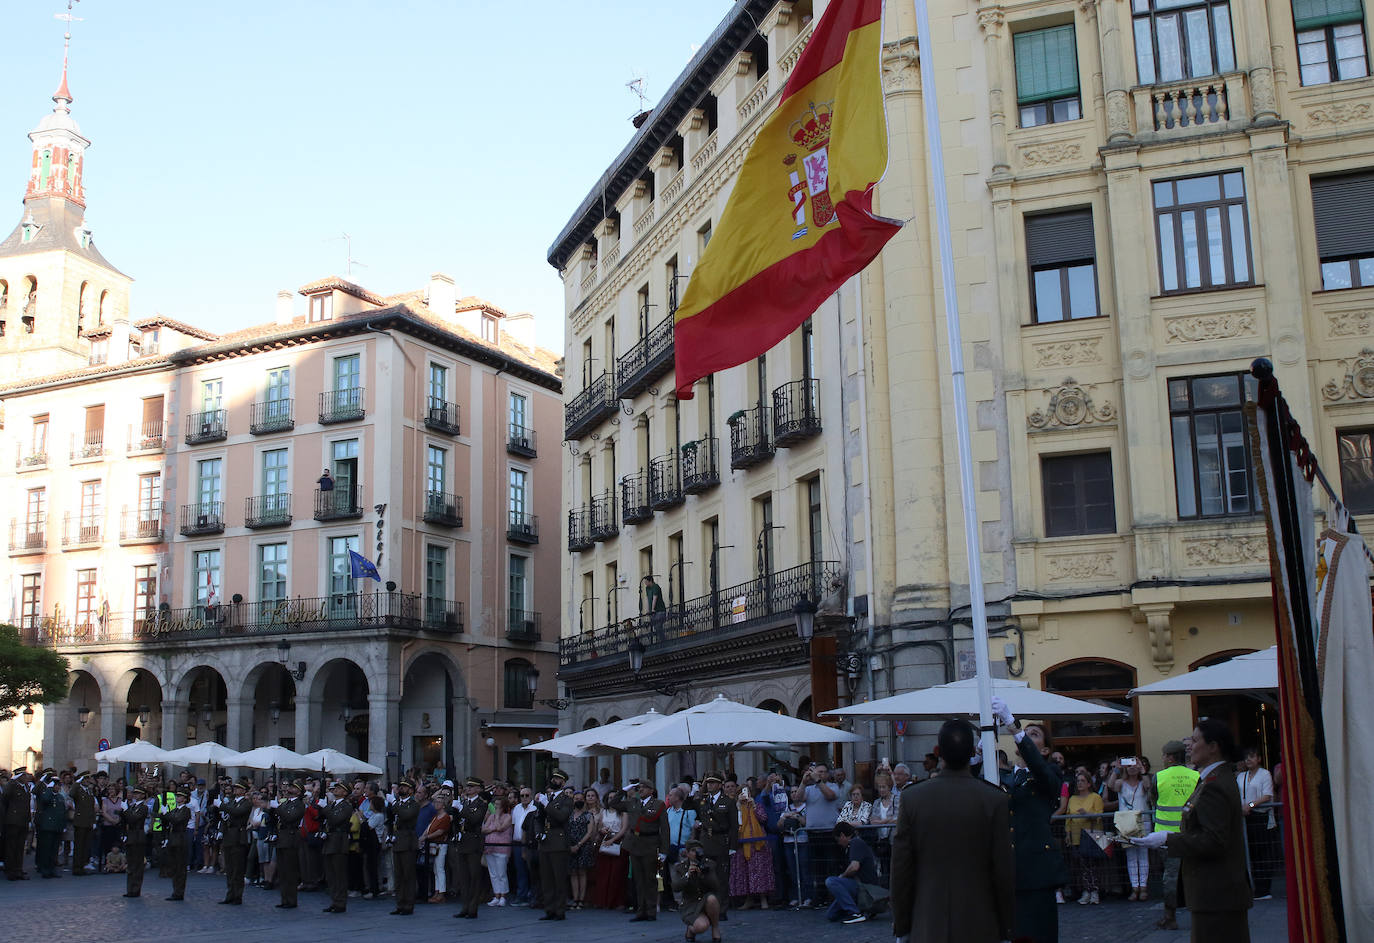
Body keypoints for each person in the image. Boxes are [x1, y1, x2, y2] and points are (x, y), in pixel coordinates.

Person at [891, 719, 1014, 942]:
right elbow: (1003, 870)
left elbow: (901, 869)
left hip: (928, 921)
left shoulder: (912, 798)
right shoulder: (994, 799)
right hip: (980, 922)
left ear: (940, 754)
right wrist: (1006, 926)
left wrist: (902, 926)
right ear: (971, 753)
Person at [1134, 720, 1252, 942]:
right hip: (1215, 893)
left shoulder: (1215, 784)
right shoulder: (1211, 778)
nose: (1189, 745)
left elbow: (1214, 840)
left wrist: (1168, 838)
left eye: (1195, 740)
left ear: (1213, 746)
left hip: (1215, 892)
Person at [990, 697, 1069, 943]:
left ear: (1044, 750)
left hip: (1036, 870)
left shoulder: (1050, 773)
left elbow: (1039, 768)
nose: (1025, 736)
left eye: (1033, 734)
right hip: (1010, 868)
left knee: (1040, 934)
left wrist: (1013, 726)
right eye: (1026, 733)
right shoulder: (1007, 776)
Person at [613, 778, 667, 922]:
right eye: (639, 788)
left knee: (650, 879)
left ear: (651, 790)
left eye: (644, 787)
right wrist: (625, 789)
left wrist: (664, 850)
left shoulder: (658, 804)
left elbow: (665, 829)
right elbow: (613, 803)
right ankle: (640, 911)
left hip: (650, 843)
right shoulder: (633, 803)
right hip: (635, 844)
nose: (640, 790)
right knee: (638, 880)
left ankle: (650, 911)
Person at [686, 770, 736, 920]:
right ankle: (709, 907)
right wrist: (695, 791)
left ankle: (721, 909)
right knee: (707, 877)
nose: (709, 785)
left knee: (721, 878)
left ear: (720, 785)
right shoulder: (703, 800)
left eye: (712, 783)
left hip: (721, 842)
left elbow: (733, 826)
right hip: (706, 842)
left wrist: (733, 846)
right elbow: (687, 805)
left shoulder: (728, 802)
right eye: (708, 783)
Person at [1107, 756, 1154, 901]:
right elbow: (1110, 785)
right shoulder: (1121, 783)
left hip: (1143, 820)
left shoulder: (1143, 782)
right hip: (1126, 822)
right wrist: (1116, 769)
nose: (1132, 767)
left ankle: (1143, 887)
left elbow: (1148, 787)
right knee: (1131, 856)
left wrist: (1143, 770)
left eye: (1134, 765)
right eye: (1129, 765)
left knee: (1143, 855)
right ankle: (1135, 887)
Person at [1236, 747, 1275, 900]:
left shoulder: (1265, 774)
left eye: (1252, 756)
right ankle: (1249, 887)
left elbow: (1267, 796)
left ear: (1259, 758)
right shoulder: (1241, 776)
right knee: (1248, 852)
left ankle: (1263, 889)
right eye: (1246, 757)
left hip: (1260, 815)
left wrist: (1250, 805)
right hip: (1245, 817)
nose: (1249, 760)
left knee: (1262, 853)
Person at [536, 770, 574, 921]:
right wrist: (538, 832)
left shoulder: (566, 799)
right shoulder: (548, 798)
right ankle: (549, 909)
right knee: (546, 879)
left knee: (559, 878)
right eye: (553, 778)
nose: (554, 780)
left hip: (558, 841)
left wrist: (547, 804)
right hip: (545, 841)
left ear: (563, 783)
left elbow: (561, 817)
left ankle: (560, 910)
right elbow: (538, 818)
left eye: (557, 779)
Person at [822, 821, 878, 924]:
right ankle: (861, 910)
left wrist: (842, 876)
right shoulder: (855, 844)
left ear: (842, 835)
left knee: (831, 881)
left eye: (838, 840)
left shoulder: (855, 843)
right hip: (861, 885)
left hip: (864, 886)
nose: (839, 843)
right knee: (831, 915)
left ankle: (855, 913)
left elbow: (854, 867)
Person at [729, 786, 773, 909]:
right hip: (741, 844)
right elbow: (734, 823)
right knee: (745, 872)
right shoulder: (736, 808)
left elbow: (763, 818)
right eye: (742, 793)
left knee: (759, 871)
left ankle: (763, 898)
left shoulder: (757, 805)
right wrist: (738, 806)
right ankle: (748, 899)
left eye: (747, 792)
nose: (744, 795)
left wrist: (753, 807)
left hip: (757, 844)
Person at [1065, 770, 1105, 904]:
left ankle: (1095, 891)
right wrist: (1068, 833)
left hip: (1092, 835)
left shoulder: (1095, 797)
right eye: (1078, 781)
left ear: (1089, 783)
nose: (1080, 783)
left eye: (1083, 781)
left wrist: (1087, 814)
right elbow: (1068, 818)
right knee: (1082, 865)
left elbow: (1099, 816)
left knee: (1093, 865)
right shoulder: (1072, 798)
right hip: (1077, 836)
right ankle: (1086, 891)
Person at [672, 839, 723, 943]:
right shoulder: (680, 867)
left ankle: (715, 928)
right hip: (690, 904)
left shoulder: (709, 864)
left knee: (712, 899)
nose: (696, 853)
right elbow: (676, 887)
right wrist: (687, 875)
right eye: (693, 850)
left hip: (706, 901)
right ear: (687, 853)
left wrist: (703, 875)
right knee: (701, 926)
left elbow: (716, 886)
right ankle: (691, 929)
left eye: (698, 850)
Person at [450, 777, 487, 917]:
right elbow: (458, 821)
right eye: (468, 786)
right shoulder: (464, 802)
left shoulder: (481, 804)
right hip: (463, 840)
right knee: (463, 877)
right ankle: (465, 906)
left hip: (473, 841)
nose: (469, 789)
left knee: (474, 877)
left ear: (478, 789)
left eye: (472, 787)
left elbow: (475, 819)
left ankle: (473, 908)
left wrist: (462, 809)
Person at [590, 786, 628, 909]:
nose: (612, 800)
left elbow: (623, 829)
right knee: (603, 873)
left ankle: (616, 901)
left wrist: (613, 839)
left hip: (617, 842)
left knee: (616, 874)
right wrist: (602, 830)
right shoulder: (603, 812)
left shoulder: (622, 812)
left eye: (614, 797)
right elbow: (599, 826)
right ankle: (602, 901)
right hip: (605, 842)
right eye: (610, 797)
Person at [216, 778, 252, 905]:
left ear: (243, 790)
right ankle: (230, 894)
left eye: (238, 788)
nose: (235, 790)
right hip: (229, 836)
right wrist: (221, 830)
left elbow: (237, 812)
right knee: (230, 868)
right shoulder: (231, 802)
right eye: (235, 788)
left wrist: (222, 805)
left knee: (238, 868)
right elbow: (225, 818)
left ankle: (238, 895)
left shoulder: (246, 803)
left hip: (238, 836)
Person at [322, 781, 354, 913]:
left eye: (339, 788)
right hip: (330, 840)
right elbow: (322, 815)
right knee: (331, 874)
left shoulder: (346, 806)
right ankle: (334, 900)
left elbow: (336, 819)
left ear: (345, 793)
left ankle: (340, 902)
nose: (336, 790)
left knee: (339, 873)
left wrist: (326, 808)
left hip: (339, 841)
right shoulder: (333, 804)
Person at [389, 778, 420, 915]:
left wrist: (394, 803)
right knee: (399, 875)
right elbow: (391, 819)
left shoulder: (413, 804)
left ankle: (408, 904)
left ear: (411, 790)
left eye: (405, 787)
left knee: (408, 874)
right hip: (397, 840)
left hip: (407, 841)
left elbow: (405, 815)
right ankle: (400, 903)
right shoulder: (398, 804)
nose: (401, 789)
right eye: (400, 786)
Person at [273, 780, 304, 909]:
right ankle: (284, 898)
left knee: (290, 872)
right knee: (283, 872)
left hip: (291, 838)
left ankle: (291, 900)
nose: (290, 788)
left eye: (293, 787)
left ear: (299, 791)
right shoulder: (286, 803)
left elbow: (290, 817)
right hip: (282, 837)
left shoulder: (299, 804)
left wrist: (277, 808)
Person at [482, 789, 514, 907]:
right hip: (490, 848)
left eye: (498, 806)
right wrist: (492, 827)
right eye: (495, 805)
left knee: (501, 873)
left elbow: (501, 828)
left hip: (502, 848)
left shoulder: (507, 817)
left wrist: (497, 817)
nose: (496, 807)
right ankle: (496, 895)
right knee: (493, 873)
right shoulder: (490, 816)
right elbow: (484, 829)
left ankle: (503, 896)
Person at [162, 785, 192, 900]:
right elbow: (169, 820)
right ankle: (176, 891)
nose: (177, 797)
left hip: (180, 839)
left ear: (184, 799)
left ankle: (179, 892)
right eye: (177, 796)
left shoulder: (186, 810)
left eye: (179, 796)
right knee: (175, 867)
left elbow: (176, 820)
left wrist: (166, 814)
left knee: (180, 867)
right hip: (173, 838)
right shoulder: (175, 809)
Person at [120, 783, 150, 898]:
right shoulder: (132, 807)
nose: (135, 795)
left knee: (137, 865)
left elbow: (133, 818)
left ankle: (136, 889)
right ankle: (130, 889)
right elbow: (125, 820)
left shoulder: (143, 807)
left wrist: (126, 810)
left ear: (143, 795)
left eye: (138, 793)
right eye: (135, 793)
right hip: (131, 836)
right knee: (131, 864)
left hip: (138, 836)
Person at [567, 788, 596, 909]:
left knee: (582, 872)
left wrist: (578, 845)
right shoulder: (569, 814)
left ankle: (581, 899)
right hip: (570, 845)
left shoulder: (588, 815)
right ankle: (575, 898)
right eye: (576, 799)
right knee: (573, 872)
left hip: (583, 846)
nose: (578, 801)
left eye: (580, 799)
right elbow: (565, 830)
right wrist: (570, 845)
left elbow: (589, 832)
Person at [510, 785, 538, 906]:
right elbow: (513, 825)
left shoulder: (535, 808)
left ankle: (532, 895)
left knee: (531, 870)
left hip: (530, 844)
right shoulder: (516, 808)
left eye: (527, 795)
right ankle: (521, 895)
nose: (524, 797)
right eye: (522, 795)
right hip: (517, 843)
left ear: (531, 796)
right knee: (520, 870)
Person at [34, 774, 65, 878]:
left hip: (57, 827)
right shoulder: (46, 795)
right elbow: (45, 800)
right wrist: (49, 788)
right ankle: (45, 869)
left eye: (58, 785)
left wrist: (63, 826)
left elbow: (62, 812)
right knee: (46, 849)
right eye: (56, 785)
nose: (58, 787)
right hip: (47, 827)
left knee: (54, 850)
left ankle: (52, 869)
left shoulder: (60, 797)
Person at [3, 768, 30, 880]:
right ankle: (11, 871)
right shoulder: (12, 785)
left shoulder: (26, 787)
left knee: (20, 847)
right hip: (13, 821)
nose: (26, 777)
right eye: (24, 776)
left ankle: (18, 869)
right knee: (11, 847)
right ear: (19, 776)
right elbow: (4, 800)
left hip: (23, 821)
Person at [70, 771, 96, 876]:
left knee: (85, 846)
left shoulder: (89, 791)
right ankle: (77, 867)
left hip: (88, 822)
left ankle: (82, 866)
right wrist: (77, 782)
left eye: (88, 779)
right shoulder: (78, 790)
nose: (88, 781)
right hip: (80, 822)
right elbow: (71, 794)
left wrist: (93, 821)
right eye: (85, 779)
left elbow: (91, 808)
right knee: (79, 846)